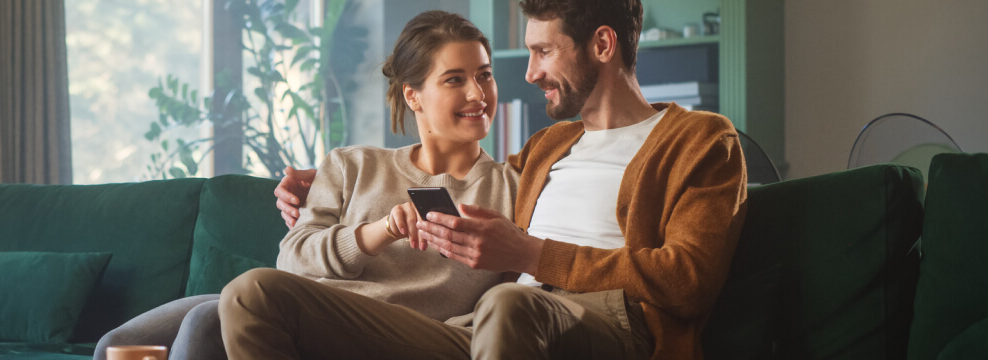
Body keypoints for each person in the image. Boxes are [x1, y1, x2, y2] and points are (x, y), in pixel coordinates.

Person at [241, 0, 748, 358]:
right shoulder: (546, 148)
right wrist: (321, 180)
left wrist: (530, 256)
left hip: (611, 323)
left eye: (543, 52)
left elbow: (687, 281)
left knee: (509, 302)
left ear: (602, 44)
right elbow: (467, 170)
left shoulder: (700, 140)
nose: (528, 74)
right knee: (256, 293)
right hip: (487, 328)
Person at [95, 11, 519, 360]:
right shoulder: (351, 164)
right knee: (115, 346)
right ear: (413, 96)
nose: (477, 93)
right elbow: (293, 260)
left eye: (484, 75)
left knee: (211, 320)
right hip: (299, 303)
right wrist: (380, 231)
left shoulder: (511, 187)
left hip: (391, 330)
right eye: (455, 79)